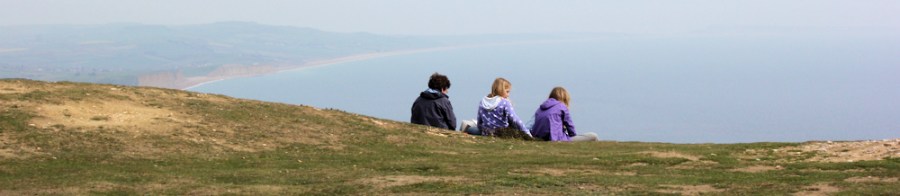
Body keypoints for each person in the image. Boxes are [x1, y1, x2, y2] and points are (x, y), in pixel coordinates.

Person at [530, 87, 598, 142]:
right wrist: (573, 136)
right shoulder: (561, 107)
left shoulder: (540, 109)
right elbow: (570, 126)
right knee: (593, 136)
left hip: (540, 139)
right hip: (556, 139)